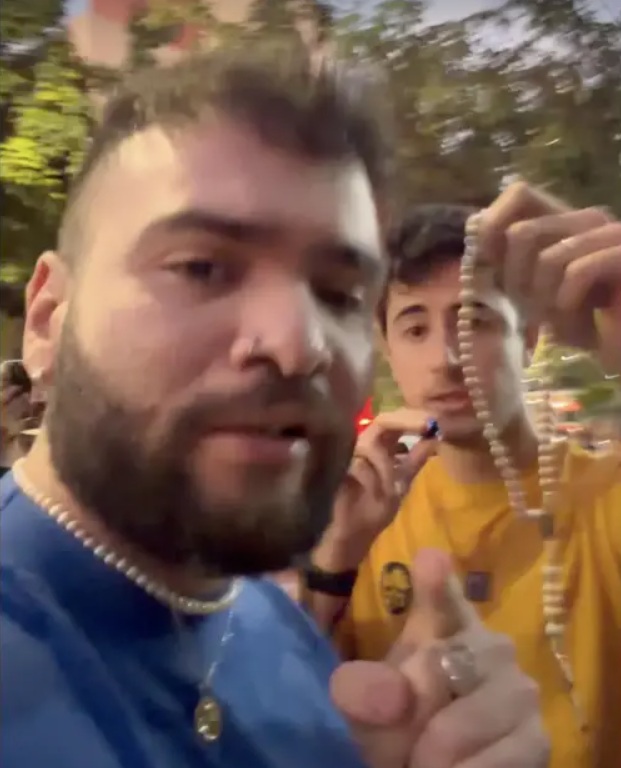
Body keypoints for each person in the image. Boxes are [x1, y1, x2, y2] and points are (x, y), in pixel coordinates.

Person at [0, 48, 548, 768]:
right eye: (201, 267)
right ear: (48, 316)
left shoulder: (276, 631)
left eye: (338, 295)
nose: (299, 345)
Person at [304, 199, 621, 768]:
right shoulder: (362, 516)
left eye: (473, 320)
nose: (447, 359)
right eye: (415, 327)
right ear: (389, 355)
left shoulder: (604, 492)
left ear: (528, 340)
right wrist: (330, 564)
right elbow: (278, 709)